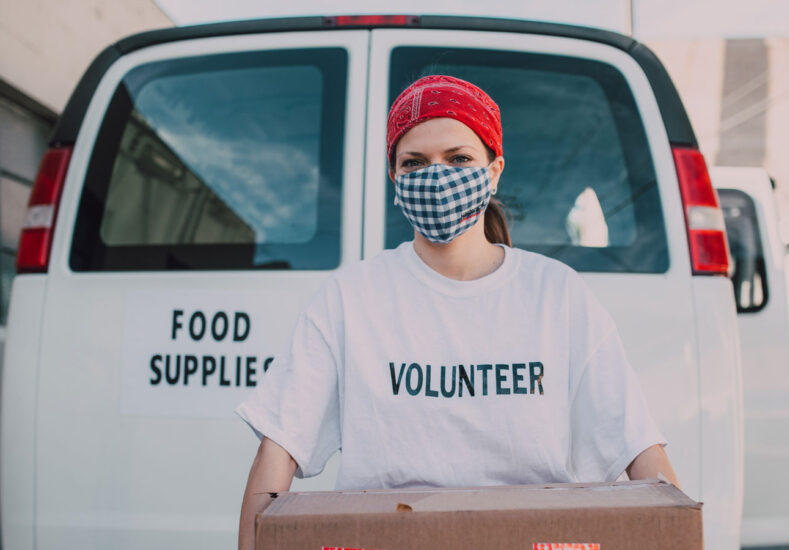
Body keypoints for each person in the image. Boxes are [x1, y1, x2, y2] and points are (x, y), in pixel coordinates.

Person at [236, 75, 680, 549]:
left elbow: (637, 449)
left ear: (494, 170)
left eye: (459, 158)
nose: (437, 175)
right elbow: (278, 449)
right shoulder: (351, 297)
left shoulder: (556, 294)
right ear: (395, 178)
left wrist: (677, 531)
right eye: (415, 162)